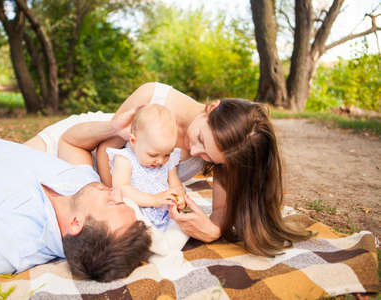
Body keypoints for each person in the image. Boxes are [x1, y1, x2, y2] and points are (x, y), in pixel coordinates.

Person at [25, 82, 314, 257]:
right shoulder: (153, 97)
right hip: (86, 140)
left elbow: (220, 217)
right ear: (211, 108)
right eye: (200, 139)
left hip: (88, 178)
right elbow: (105, 149)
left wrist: (211, 231)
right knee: (9, 169)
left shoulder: (226, 149)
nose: (198, 154)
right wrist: (120, 200)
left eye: (210, 158)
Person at [0, 135, 151, 282]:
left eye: (112, 201)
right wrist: (118, 127)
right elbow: (72, 141)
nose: (115, 191)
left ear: (76, 223)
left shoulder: (9, 243)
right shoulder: (83, 187)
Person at [106, 104, 186, 231]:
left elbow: (175, 185)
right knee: (125, 225)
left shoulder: (168, 160)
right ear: (133, 141)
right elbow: (122, 189)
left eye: (166, 154)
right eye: (153, 154)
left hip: (165, 214)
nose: (160, 161)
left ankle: (168, 242)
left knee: (182, 226)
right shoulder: (124, 159)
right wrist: (154, 199)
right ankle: (153, 241)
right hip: (136, 213)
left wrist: (179, 198)